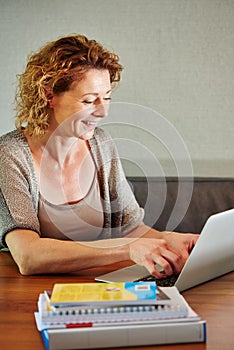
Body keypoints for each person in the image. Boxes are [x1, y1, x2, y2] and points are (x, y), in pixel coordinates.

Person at [0, 34, 198, 276]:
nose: (103, 111)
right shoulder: (10, 155)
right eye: (89, 100)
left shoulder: (101, 144)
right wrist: (126, 250)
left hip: (98, 288)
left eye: (106, 98)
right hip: (31, 299)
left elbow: (131, 229)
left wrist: (170, 241)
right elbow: (28, 256)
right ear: (49, 95)